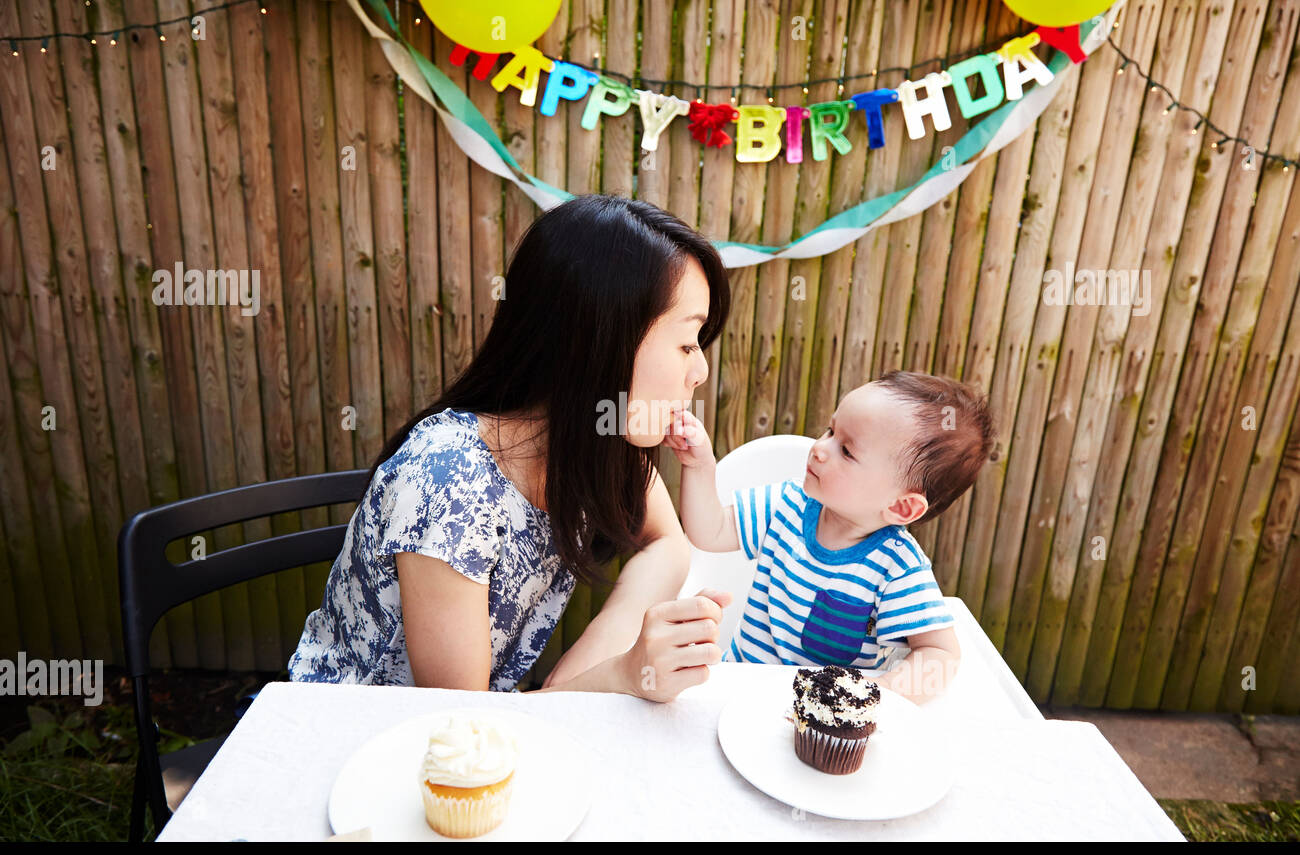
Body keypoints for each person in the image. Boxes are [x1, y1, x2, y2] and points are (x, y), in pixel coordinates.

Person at [287, 193, 734, 702]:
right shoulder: (447, 482)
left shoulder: (599, 435)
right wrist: (618, 676)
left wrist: (583, 667)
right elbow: (462, 724)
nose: (699, 372)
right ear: (598, 341)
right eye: (687, 343)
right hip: (360, 737)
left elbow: (668, 544)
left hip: (496, 726)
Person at [663, 370, 996, 704]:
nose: (820, 448)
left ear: (902, 507)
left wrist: (883, 696)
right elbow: (711, 531)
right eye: (830, 430)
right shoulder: (789, 503)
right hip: (739, 691)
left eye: (847, 451)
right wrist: (699, 466)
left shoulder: (896, 567)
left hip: (821, 725)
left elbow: (941, 650)